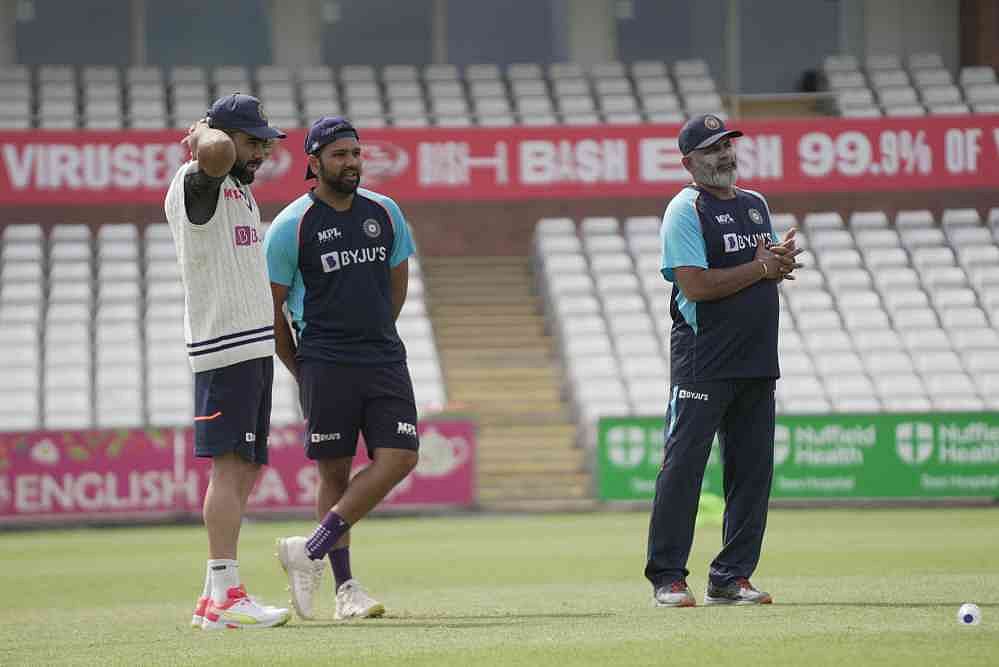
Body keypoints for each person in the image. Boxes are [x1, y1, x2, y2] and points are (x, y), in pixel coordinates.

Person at [264, 116, 419, 621]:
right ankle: (346, 589)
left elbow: (397, 283)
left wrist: (376, 332)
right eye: (339, 155)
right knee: (334, 471)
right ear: (313, 163)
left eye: (355, 153)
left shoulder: (385, 212)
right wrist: (301, 366)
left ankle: (308, 549)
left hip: (383, 355)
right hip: (325, 361)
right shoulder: (291, 226)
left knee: (401, 456)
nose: (351, 163)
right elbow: (272, 310)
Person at [645, 113, 802, 608]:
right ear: (689, 162)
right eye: (712, 149)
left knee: (752, 473)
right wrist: (762, 268)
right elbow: (695, 285)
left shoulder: (755, 204)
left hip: (757, 357)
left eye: (728, 145)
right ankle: (668, 577)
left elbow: (761, 268)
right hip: (704, 359)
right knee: (683, 469)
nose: (725, 155)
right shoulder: (684, 209)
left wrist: (778, 263)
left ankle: (731, 577)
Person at [164, 92, 291, 630]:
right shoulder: (200, 180)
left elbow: (227, 157)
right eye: (251, 141)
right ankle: (227, 595)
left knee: (247, 466)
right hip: (226, 347)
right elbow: (214, 154)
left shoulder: (236, 189)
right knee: (231, 467)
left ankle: (212, 595)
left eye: (265, 143)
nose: (261, 152)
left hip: (249, 346)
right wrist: (204, 133)